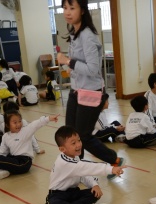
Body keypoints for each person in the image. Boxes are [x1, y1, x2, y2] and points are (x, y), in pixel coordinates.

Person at [56, 0, 123, 171]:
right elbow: (79, 65)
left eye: (72, 8)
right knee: (70, 134)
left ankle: (114, 159)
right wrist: (69, 68)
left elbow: (93, 69)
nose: (67, 12)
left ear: (82, 10)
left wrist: (68, 62)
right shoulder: (74, 33)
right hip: (76, 90)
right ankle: (75, 168)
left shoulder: (87, 35)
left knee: (83, 136)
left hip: (90, 92)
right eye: (65, 8)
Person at [46, 126, 124, 204]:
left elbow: (83, 174)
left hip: (73, 193)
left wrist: (94, 184)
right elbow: (87, 167)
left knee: (94, 193)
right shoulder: (64, 162)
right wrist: (110, 169)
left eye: (79, 140)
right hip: (57, 195)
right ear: (62, 149)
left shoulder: (75, 157)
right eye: (73, 143)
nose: (79, 144)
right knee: (53, 203)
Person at [0, 112, 58, 181]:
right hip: (14, 159)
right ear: (7, 125)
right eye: (15, 122)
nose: (18, 124)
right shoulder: (5, 136)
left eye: (20, 121)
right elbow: (2, 152)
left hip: (24, 162)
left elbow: (36, 124)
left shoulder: (25, 131)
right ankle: (3, 172)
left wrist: (48, 118)